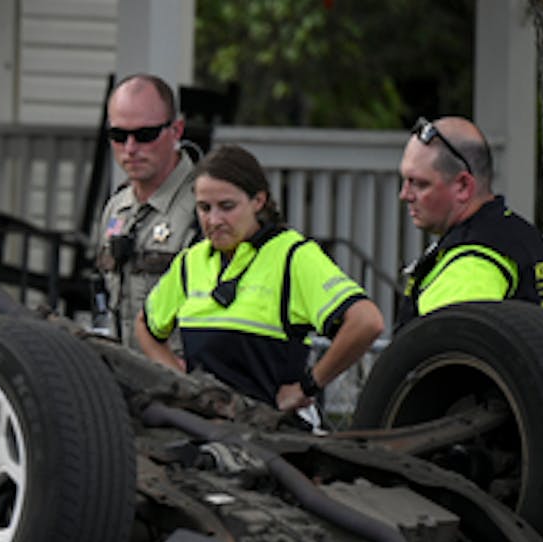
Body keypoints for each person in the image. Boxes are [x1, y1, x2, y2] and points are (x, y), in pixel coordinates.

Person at [136, 144, 385, 415]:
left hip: (273, 436)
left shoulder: (292, 256)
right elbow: (145, 325)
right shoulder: (191, 261)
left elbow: (366, 321)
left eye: (227, 206)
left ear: (259, 201)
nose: (214, 220)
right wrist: (181, 384)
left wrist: (308, 386)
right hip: (204, 431)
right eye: (204, 208)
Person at [397, 115, 543, 341]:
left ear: (463, 185)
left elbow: (451, 360)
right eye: (405, 181)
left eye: (420, 183)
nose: (405, 195)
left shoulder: (468, 267)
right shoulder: (534, 242)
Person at [92, 74, 199, 346]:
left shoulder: (207, 206)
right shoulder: (117, 208)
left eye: (145, 135)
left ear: (176, 131)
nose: (130, 148)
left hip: (186, 379)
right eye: (118, 135)